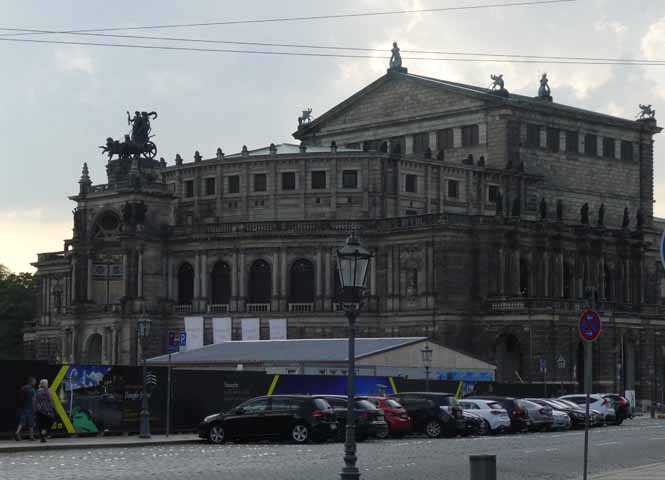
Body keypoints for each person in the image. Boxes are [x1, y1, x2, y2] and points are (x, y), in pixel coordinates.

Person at [14, 377, 36, 441]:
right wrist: (35, 408)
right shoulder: (31, 389)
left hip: (24, 407)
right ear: (31, 381)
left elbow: (20, 398)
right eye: (34, 381)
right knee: (31, 422)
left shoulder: (23, 388)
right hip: (30, 407)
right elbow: (33, 399)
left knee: (22, 421)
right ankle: (31, 437)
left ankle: (17, 432)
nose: (35, 383)